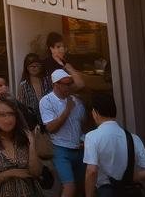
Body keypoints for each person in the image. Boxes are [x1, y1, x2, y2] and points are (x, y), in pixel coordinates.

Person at [83, 92, 145, 197]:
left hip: (106, 191)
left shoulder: (92, 137)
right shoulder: (132, 137)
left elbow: (92, 171)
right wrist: (131, 176)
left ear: (95, 113)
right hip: (129, 191)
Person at [0, 96, 43, 197]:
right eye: (1, 115)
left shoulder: (24, 139)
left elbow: (36, 173)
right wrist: (11, 173)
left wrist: (32, 144)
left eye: (11, 114)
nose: (7, 120)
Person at [40, 68, 86, 197]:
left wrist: (83, 138)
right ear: (56, 85)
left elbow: (81, 123)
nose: (68, 87)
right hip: (60, 149)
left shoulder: (76, 100)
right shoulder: (46, 101)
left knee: (81, 186)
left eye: (70, 83)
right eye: (65, 84)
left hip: (78, 148)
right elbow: (50, 128)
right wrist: (67, 110)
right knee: (69, 187)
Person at [15, 53, 47, 121]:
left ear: (41, 66)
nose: (34, 67)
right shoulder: (23, 85)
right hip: (32, 121)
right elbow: (21, 106)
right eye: (31, 65)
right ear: (27, 67)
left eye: (36, 65)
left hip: (49, 118)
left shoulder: (47, 81)